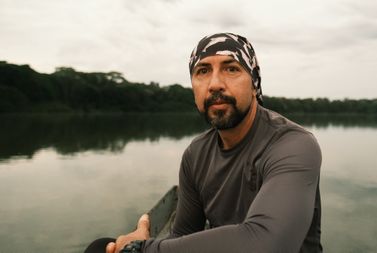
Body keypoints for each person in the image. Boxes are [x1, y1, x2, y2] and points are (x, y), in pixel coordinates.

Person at [85, 32, 322, 253]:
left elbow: (269, 243)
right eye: (203, 71)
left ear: (254, 83)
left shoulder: (292, 145)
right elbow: (183, 235)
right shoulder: (195, 154)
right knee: (101, 248)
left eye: (231, 69)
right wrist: (141, 240)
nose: (215, 84)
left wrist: (142, 248)